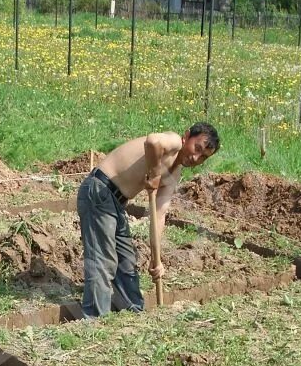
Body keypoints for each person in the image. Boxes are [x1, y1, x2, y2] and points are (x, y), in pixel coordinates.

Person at [77, 122, 220, 318]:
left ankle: (135, 313)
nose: (196, 157)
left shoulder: (174, 174)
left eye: (203, 157)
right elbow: (152, 141)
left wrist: (156, 258)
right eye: (197, 148)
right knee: (104, 259)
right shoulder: (173, 142)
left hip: (116, 203)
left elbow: (159, 214)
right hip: (100, 190)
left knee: (126, 261)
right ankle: (94, 320)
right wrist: (154, 172)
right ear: (186, 136)